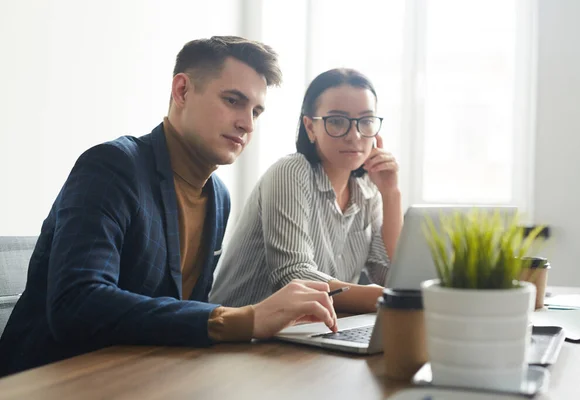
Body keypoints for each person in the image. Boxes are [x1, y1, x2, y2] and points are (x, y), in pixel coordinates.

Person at [0, 36, 338, 378]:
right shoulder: (111, 167)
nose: (247, 124)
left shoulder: (218, 197)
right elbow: (77, 304)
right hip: (50, 378)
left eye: (256, 111)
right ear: (182, 91)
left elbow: (179, 313)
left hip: (145, 375)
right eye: (233, 101)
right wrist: (245, 319)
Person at [210, 68, 403, 314]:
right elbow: (295, 275)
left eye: (365, 121)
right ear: (310, 127)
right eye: (336, 121)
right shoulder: (291, 172)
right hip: (243, 339)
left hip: (312, 333)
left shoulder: (367, 191)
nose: (354, 135)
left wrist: (391, 193)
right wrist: (393, 299)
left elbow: (391, 276)